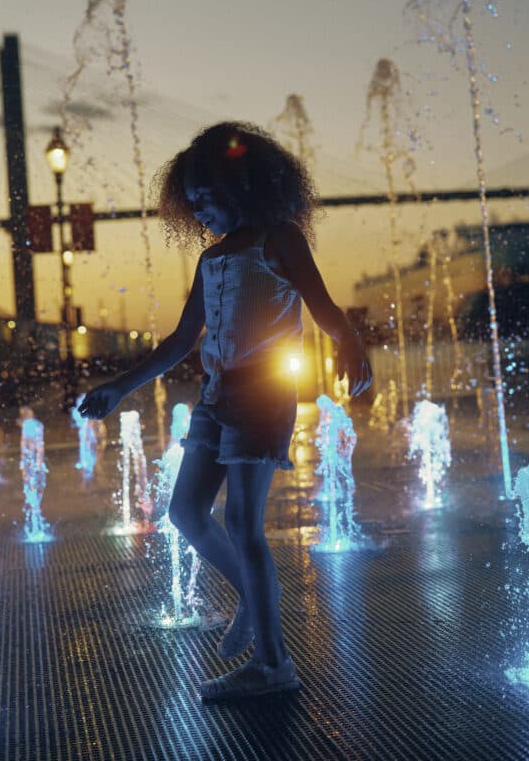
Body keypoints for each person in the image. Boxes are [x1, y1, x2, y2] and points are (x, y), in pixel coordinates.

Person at [79, 121, 372, 701]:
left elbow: (323, 305)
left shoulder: (279, 238)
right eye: (191, 202)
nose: (198, 210)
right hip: (216, 396)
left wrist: (351, 343)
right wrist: (120, 387)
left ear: (239, 186)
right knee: (186, 511)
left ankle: (273, 665)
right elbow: (181, 341)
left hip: (263, 395)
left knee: (241, 522)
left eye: (205, 197)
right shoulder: (211, 259)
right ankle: (255, 597)